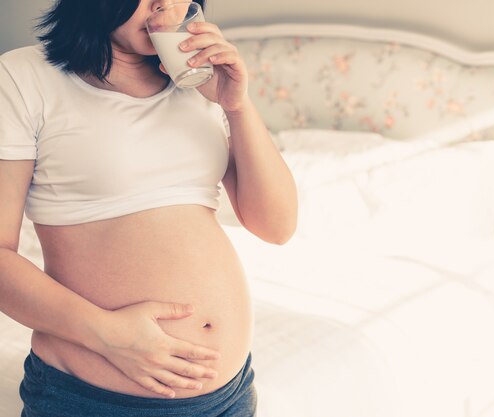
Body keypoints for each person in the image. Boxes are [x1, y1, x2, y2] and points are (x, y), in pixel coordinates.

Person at [0, 0, 297, 415]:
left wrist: (237, 105)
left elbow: (277, 225)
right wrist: (107, 334)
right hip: (95, 400)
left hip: (229, 395)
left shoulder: (197, 83)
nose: (163, 5)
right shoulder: (24, 76)